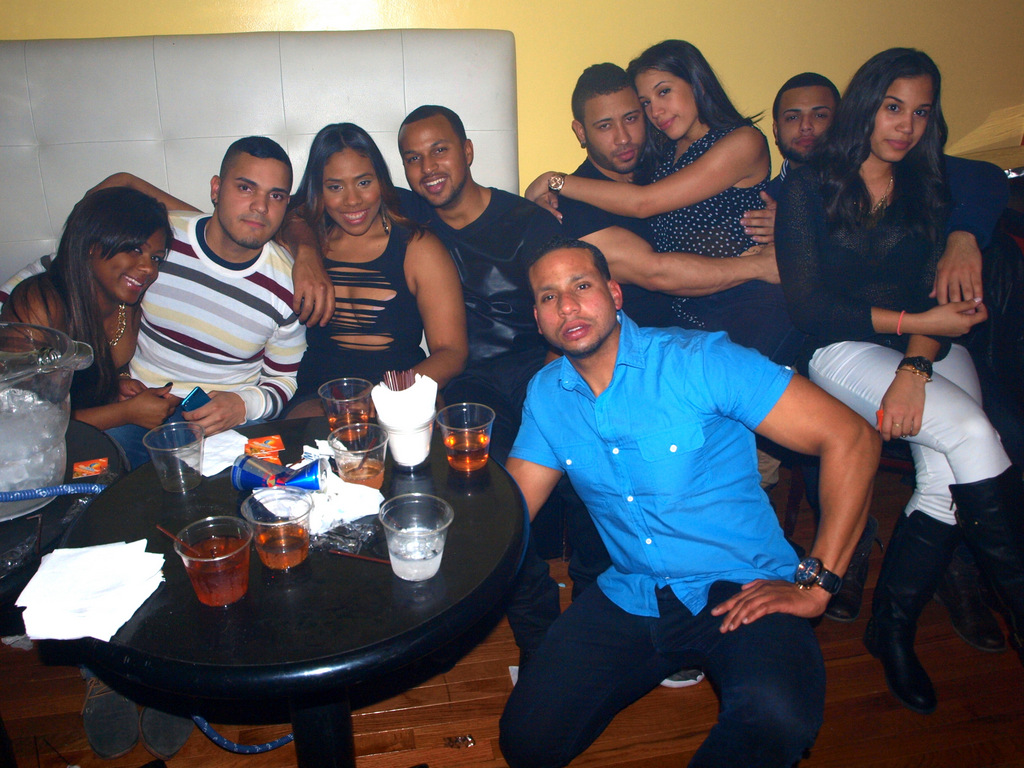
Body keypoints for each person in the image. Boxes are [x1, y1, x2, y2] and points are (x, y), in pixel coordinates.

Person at [498, 238, 879, 768]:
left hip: (741, 581)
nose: (567, 306)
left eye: (581, 286)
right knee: (527, 743)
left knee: (776, 717)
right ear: (538, 320)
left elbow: (852, 438)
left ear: (614, 294)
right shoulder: (547, 396)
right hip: (634, 590)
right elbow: (511, 508)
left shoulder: (698, 361)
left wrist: (817, 584)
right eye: (548, 296)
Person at [775, 48, 1024, 715]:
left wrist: (915, 362)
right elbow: (810, 308)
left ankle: (891, 630)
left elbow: (939, 281)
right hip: (841, 347)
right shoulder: (810, 184)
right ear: (865, 106)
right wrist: (919, 325)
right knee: (973, 433)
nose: (906, 126)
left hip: (925, 342)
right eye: (893, 107)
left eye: (921, 112)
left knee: (949, 472)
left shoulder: (928, 183)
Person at [527, 43, 800, 365]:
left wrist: (789, 222)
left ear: (697, 84)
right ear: (581, 132)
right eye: (605, 125)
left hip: (750, 303)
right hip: (678, 329)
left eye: (633, 116)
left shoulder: (714, 148)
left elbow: (646, 203)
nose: (624, 137)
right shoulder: (579, 206)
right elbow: (654, 270)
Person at [92, 136, 307, 468]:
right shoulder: (161, 240)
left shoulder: (289, 284)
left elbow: (283, 381)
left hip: (226, 423)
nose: (260, 207)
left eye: (275, 196)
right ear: (216, 189)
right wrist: (117, 378)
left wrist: (242, 405)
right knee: (96, 480)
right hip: (138, 410)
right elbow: (90, 289)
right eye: (246, 188)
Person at [282, 123, 467, 416]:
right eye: (335, 187)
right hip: (320, 397)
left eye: (364, 182)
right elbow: (269, 215)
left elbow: (452, 353)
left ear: (381, 181)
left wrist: (387, 396)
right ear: (319, 190)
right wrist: (306, 253)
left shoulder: (418, 248)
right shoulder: (310, 240)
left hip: (401, 390)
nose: (352, 200)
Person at [1, 187, 177, 433]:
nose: (149, 268)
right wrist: (125, 413)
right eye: (136, 250)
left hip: (94, 436)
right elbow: (22, 420)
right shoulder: (40, 303)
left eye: (155, 258)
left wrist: (119, 382)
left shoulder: (128, 300)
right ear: (93, 244)